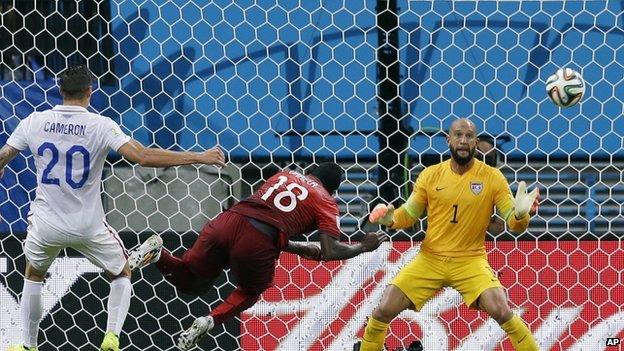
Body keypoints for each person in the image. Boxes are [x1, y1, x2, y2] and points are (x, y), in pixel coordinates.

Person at [0, 65, 226, 351]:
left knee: (33, 273)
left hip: (47, 224)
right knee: (121, 273)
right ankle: (111, 338)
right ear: (89, 93)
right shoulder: (100, 125)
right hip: (88, 225)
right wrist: (198, 156)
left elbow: (4, 155)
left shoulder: (35, 121)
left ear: (60, 92)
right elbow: (142, 157)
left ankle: (28, 346)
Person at [128, 162, 387, 350]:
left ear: (310, 172)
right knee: (252, 289)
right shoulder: (325, 202)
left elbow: (269, 220)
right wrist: (364, 245)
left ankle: (158, 253)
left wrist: (292, 246)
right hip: (258, 240)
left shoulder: (284, 175)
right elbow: (331, 250)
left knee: (191, 280)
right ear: (332, 191)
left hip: (228, 220)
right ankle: (209, 320)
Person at [360, 119, 540, 351]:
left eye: (469, 136)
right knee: (384, 309)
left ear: (476, 142)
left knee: (501, 310)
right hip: (430, 259)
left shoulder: (493, 178)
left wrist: (522, 215)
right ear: (449, 140)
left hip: (470, 261)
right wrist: (389, 219)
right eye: (458, 135)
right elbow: (410, 214)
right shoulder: (430, 175)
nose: (463, 141)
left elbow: (513, 224)